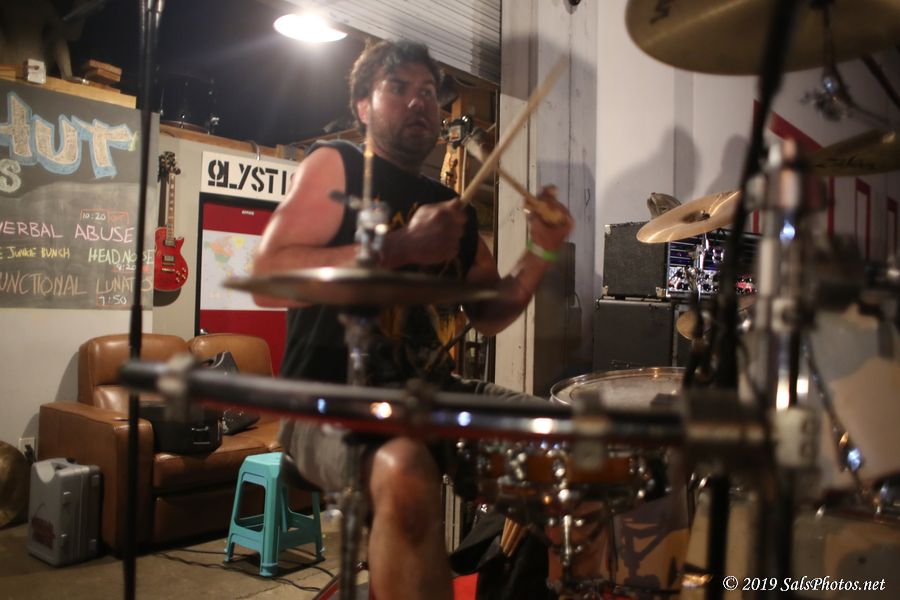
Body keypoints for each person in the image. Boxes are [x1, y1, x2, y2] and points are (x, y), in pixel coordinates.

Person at [252, 38, 573, 599]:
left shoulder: (449, 206)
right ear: (362, 105)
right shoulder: (338, 165)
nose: (419, 100)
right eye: (398, 88)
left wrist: (542, 249)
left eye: (427, 91)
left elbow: (491, 312)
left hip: (431, 395)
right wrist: (401, 246)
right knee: (404, 466)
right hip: (327, 400)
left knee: (568, 440)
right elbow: (268, 277)